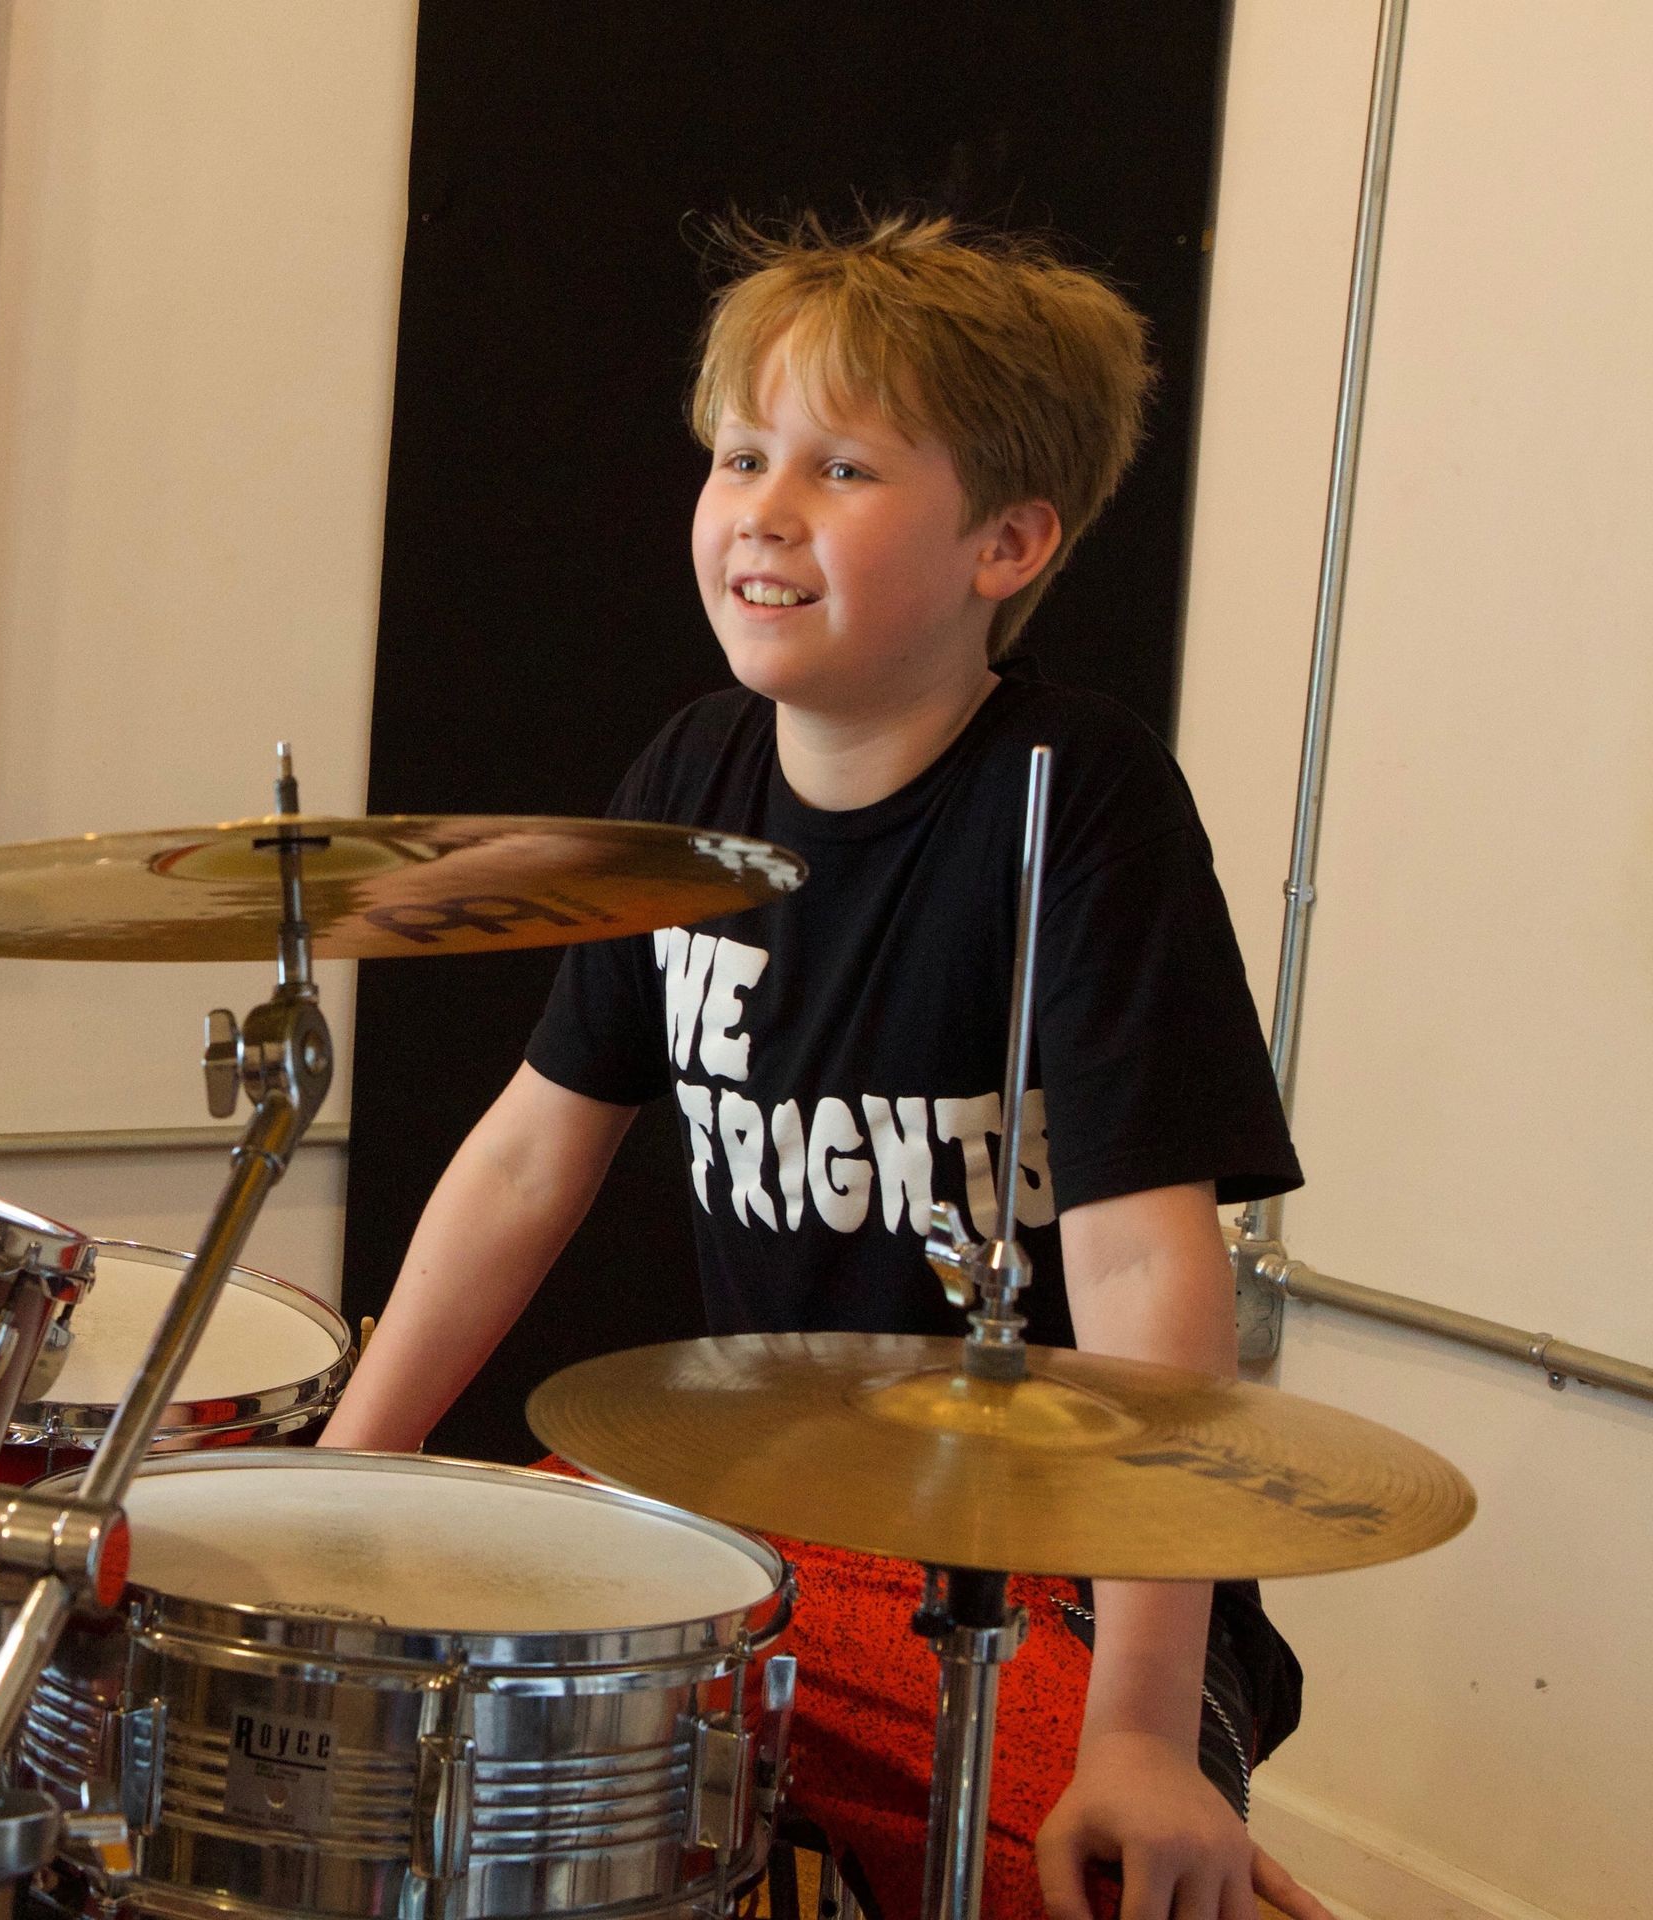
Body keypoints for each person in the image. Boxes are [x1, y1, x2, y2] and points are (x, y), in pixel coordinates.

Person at [323, 212, 1328, 1920]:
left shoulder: (1074, 801)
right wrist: (344, 1481)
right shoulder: (697, 768)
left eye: (843, 468)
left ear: (1008, 540)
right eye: (739, 455)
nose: (761, 512)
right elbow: (523, 1159)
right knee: (423, 1731)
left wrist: (1148, 1727)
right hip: (757, 1512)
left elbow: (1149, 1260)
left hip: (1053, 1570)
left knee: (1083, 1873)